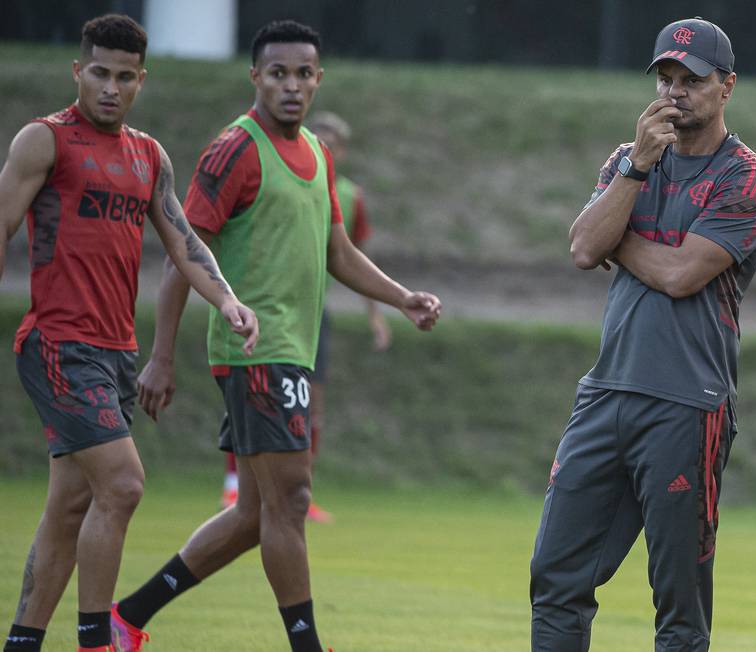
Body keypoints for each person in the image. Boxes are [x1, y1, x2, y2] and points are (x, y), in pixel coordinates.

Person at [109, 20, 440, 652]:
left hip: (293, 349)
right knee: (292, 501)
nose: (292, 85)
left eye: (304, 73)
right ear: (255, 76)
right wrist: (159, 357)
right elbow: (185, 253)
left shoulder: (318, 153)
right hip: (255, 348)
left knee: (256, 514)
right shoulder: (236, 148)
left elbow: (338, 251)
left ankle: (130, 617)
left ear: (319, 78)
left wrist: (402, 299)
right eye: (278, 73)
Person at [0, 14, 258, 652]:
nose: (110, 87)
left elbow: (183, 238)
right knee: (123, 484)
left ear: (141, 80)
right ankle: (98, 641)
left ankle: (22, 643)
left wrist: (228, 301)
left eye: (124, 77)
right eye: (99, 73)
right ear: (78, 71)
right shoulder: (45, 141)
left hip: (116, 354)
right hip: (59, 346)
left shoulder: (149, 156)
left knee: (69, 509)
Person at [529, 18, 756, 652]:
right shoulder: (627, 160)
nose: (674, 93)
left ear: (727, 87)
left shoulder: (746, 177)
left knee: (678, 604)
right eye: (665, 79)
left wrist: (621, 238)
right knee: (555, 579)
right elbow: (585, 248)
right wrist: (637, 167)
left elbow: (679, 274)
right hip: (606, 393)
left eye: (691, 80)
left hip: (688, 403)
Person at [218, 111, 391, 523]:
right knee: (247, 401)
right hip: (264, 311)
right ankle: (234, 488)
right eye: (321, 136)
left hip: (313, 314)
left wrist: (378, 314)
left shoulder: (349, 196)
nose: (325, 145)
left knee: (313, 405)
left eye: (333, 140)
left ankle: (302, 492)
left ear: (342, 151)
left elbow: (352, 256)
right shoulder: (275, 174)